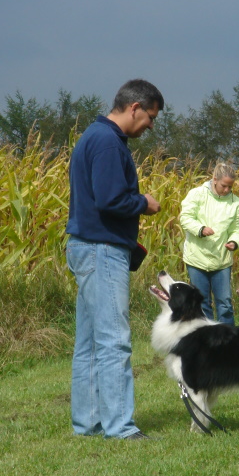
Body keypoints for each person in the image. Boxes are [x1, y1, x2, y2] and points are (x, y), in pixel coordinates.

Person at [65, 79, 164, 440]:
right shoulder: (108, 142)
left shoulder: (94, 135)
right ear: (134, 107)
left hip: (85, 245)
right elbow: (110, 200)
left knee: (90, 342)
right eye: (150, 117)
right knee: (113, 339)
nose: (150, 126)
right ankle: (120, 427)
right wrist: (144, 204)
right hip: (102, 248)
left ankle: (88, 422)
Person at [179, 162, 239, 325]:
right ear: (214, 179)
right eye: (224, 186)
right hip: (197, 259)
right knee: (202, 304)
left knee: (225, 304)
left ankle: (228, 343)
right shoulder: (196, 194)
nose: (227, 190)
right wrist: (200, 229)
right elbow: (185, 218)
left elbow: (238, 230)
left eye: (230, 187)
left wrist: (234, 242)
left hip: (221, 261)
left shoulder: (237, 204)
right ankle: (208, 344)